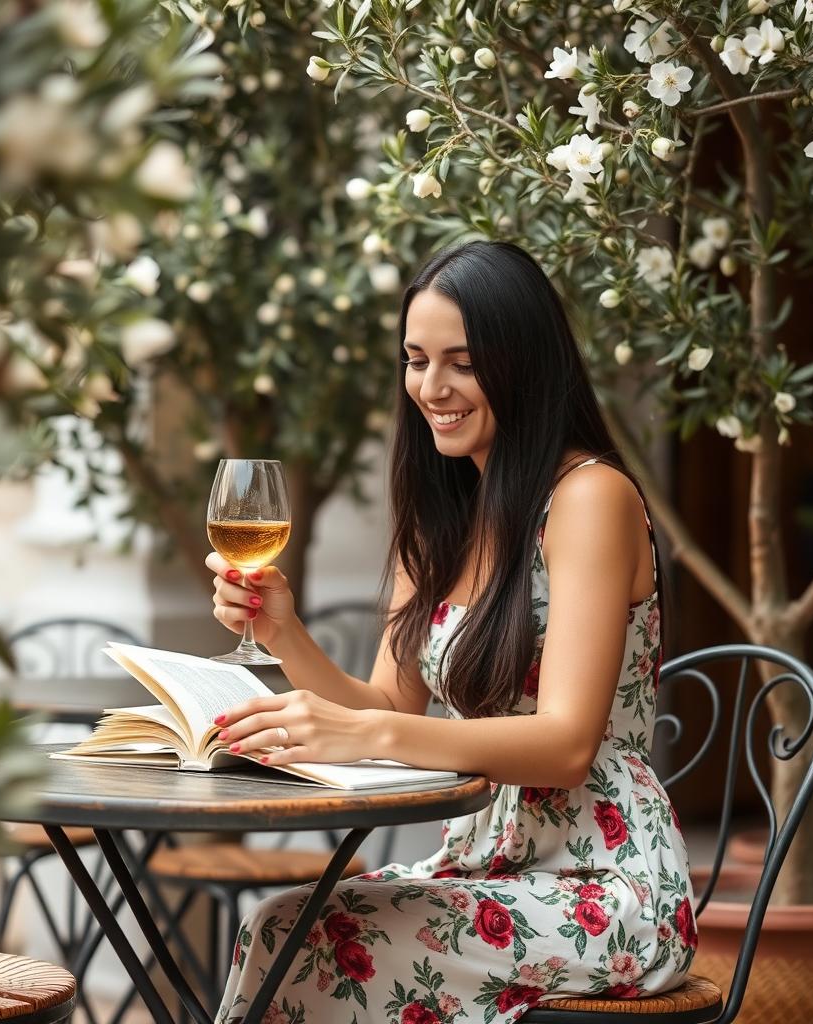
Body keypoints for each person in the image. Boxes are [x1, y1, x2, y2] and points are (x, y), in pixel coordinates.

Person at [206, 240, 696, 1023]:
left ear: (522, 364)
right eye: (415, 359)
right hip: (484, 864)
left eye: (461, 363)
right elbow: (385, 702)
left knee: (323, 940)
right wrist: (284, 632)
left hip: (606, 886)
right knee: (278, 926)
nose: (431, 388)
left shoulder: (590, 498)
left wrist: (369, 728)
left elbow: (568, 744)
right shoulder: (440, 522)